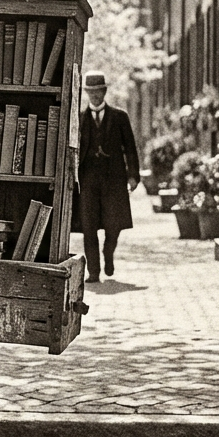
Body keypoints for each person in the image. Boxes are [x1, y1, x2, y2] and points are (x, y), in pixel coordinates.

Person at [74, 70, 140, 284]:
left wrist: (133, 176)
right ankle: (94, 271)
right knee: (89, 226)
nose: (95, 95)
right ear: (86, 93)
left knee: (114, 225)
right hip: (88, 180)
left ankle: (108, 252)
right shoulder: (79, 119)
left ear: (104, 91)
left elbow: (130, 148)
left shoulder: (120, 117)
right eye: (91, 92)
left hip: (114, 180)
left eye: (98, 91)